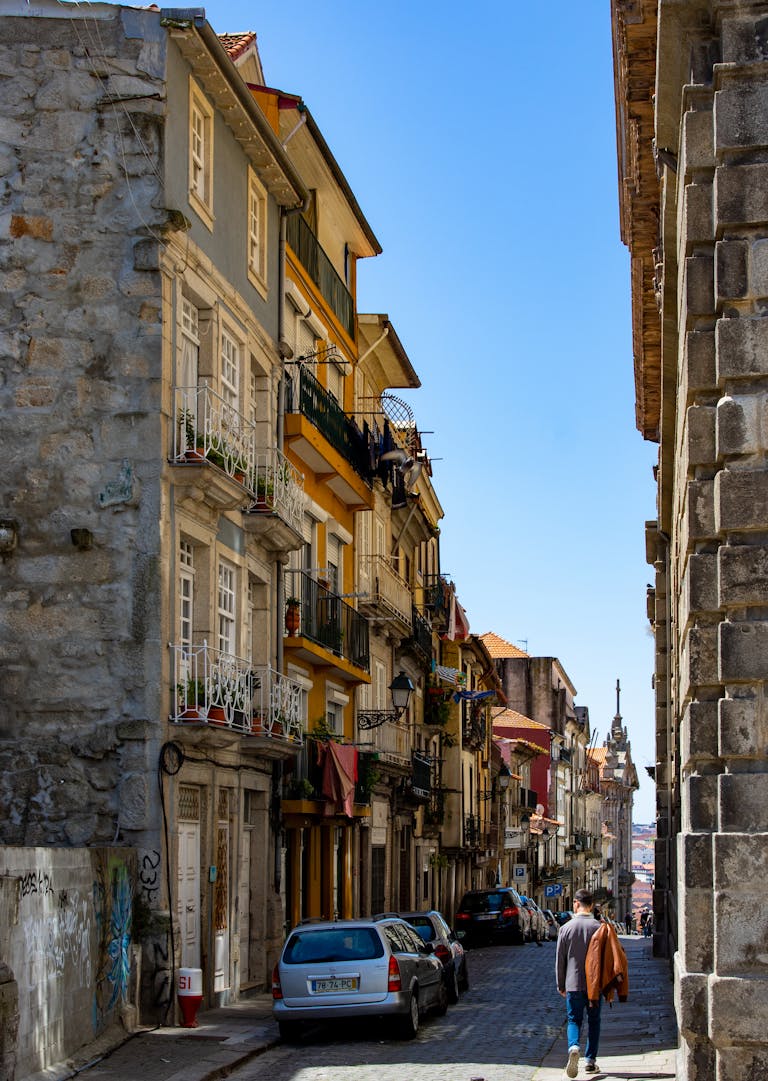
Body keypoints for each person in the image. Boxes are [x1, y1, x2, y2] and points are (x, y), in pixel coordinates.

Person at [556, 888, 602, 1077]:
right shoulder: (599, 927)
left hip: (572, 983)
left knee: (574, 1020)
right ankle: (590, 1061)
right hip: (595, 984)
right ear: (591, 905)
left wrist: (561, 985)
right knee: (594, 1021)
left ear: (575, 903)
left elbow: (560, 960)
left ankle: (573, 1046)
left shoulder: (565, 928)